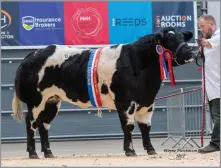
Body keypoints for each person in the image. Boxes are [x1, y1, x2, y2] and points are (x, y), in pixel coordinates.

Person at [197, 14, 220, 153]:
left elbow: (208, 42)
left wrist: (203, 42)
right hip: (211, 87)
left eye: (203, 26)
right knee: (215, 116)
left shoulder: (219, 35)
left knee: (218, 117)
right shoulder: (212, 40)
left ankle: (215, 143)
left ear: (211, 24)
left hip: (218, 87)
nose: (201, 30)